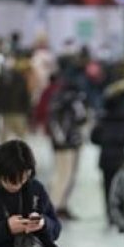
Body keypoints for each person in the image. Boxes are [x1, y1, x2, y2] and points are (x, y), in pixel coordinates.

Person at [45, 65, 89, 219]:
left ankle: (61, 205)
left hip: (65, 141)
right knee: (65, 174)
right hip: (67, 142)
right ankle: (55, 206)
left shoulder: (59, 96)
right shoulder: (71, 99)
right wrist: (61, 138)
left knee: (65, 174)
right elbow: (81, 117)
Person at [90, 86, 124, 220]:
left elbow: (94, 138)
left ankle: (110, 213)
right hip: (119, 159)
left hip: (105, 159)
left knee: (107, 187)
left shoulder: (102, 120)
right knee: (120, 187)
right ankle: (119, 212)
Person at [0, 56, 32, 140]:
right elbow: (25, 96)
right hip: (17, 111)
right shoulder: (21, 79)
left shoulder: (1, 78)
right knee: (20, 137)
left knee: (4, 137)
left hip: (7, 111)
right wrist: (27, 110)